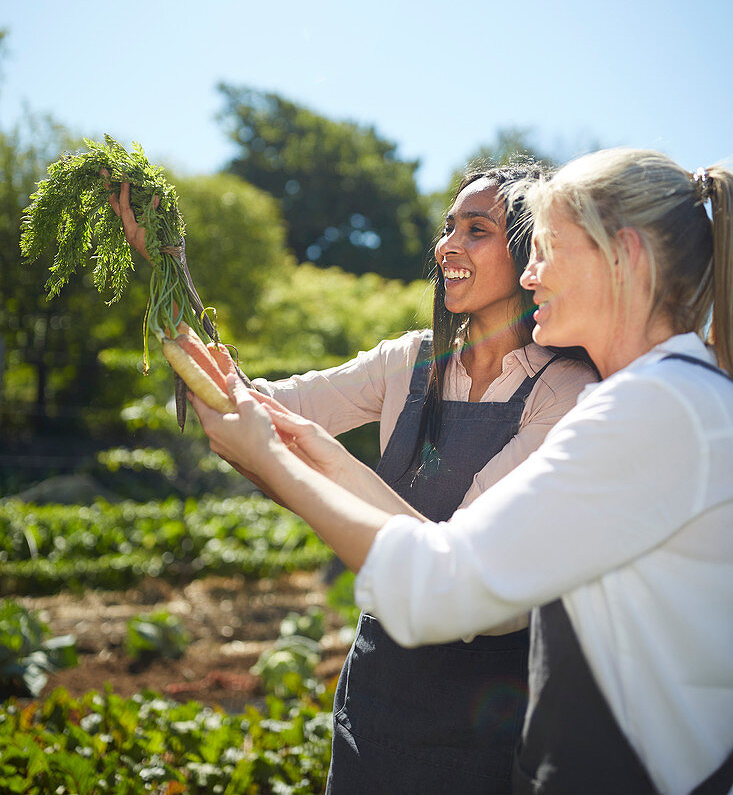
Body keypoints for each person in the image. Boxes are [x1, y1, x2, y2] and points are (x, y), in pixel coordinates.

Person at [191, 149, 733, 795]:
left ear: (625, 257)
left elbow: (444, 583)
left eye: (549, 247)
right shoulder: (671, 400)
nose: (533, 275)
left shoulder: (647, 410)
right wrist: (304, 443)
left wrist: (273, 463)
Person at [107, 160, 597, 794]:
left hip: (489, 706)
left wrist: (294, 457)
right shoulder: (410, 360)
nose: (448, 245)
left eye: (478, 229)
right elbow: (261, 407)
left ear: (532, 247)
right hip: (377, 688)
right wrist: (169, 270)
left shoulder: (563, 391)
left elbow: (457, 565)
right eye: (449, 227)